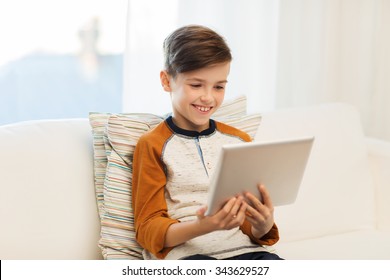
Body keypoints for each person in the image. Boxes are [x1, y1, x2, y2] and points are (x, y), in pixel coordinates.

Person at [132, 24, 282, 260]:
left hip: (246, 252)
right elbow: (147, 229)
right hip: (188, 256)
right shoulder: (153, 144)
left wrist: (263, 226)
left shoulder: (239, 140)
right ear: (166, 81)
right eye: (196, 85)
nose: (208, 97)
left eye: (219, 86)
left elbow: (245, 223)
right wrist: (203, 226)